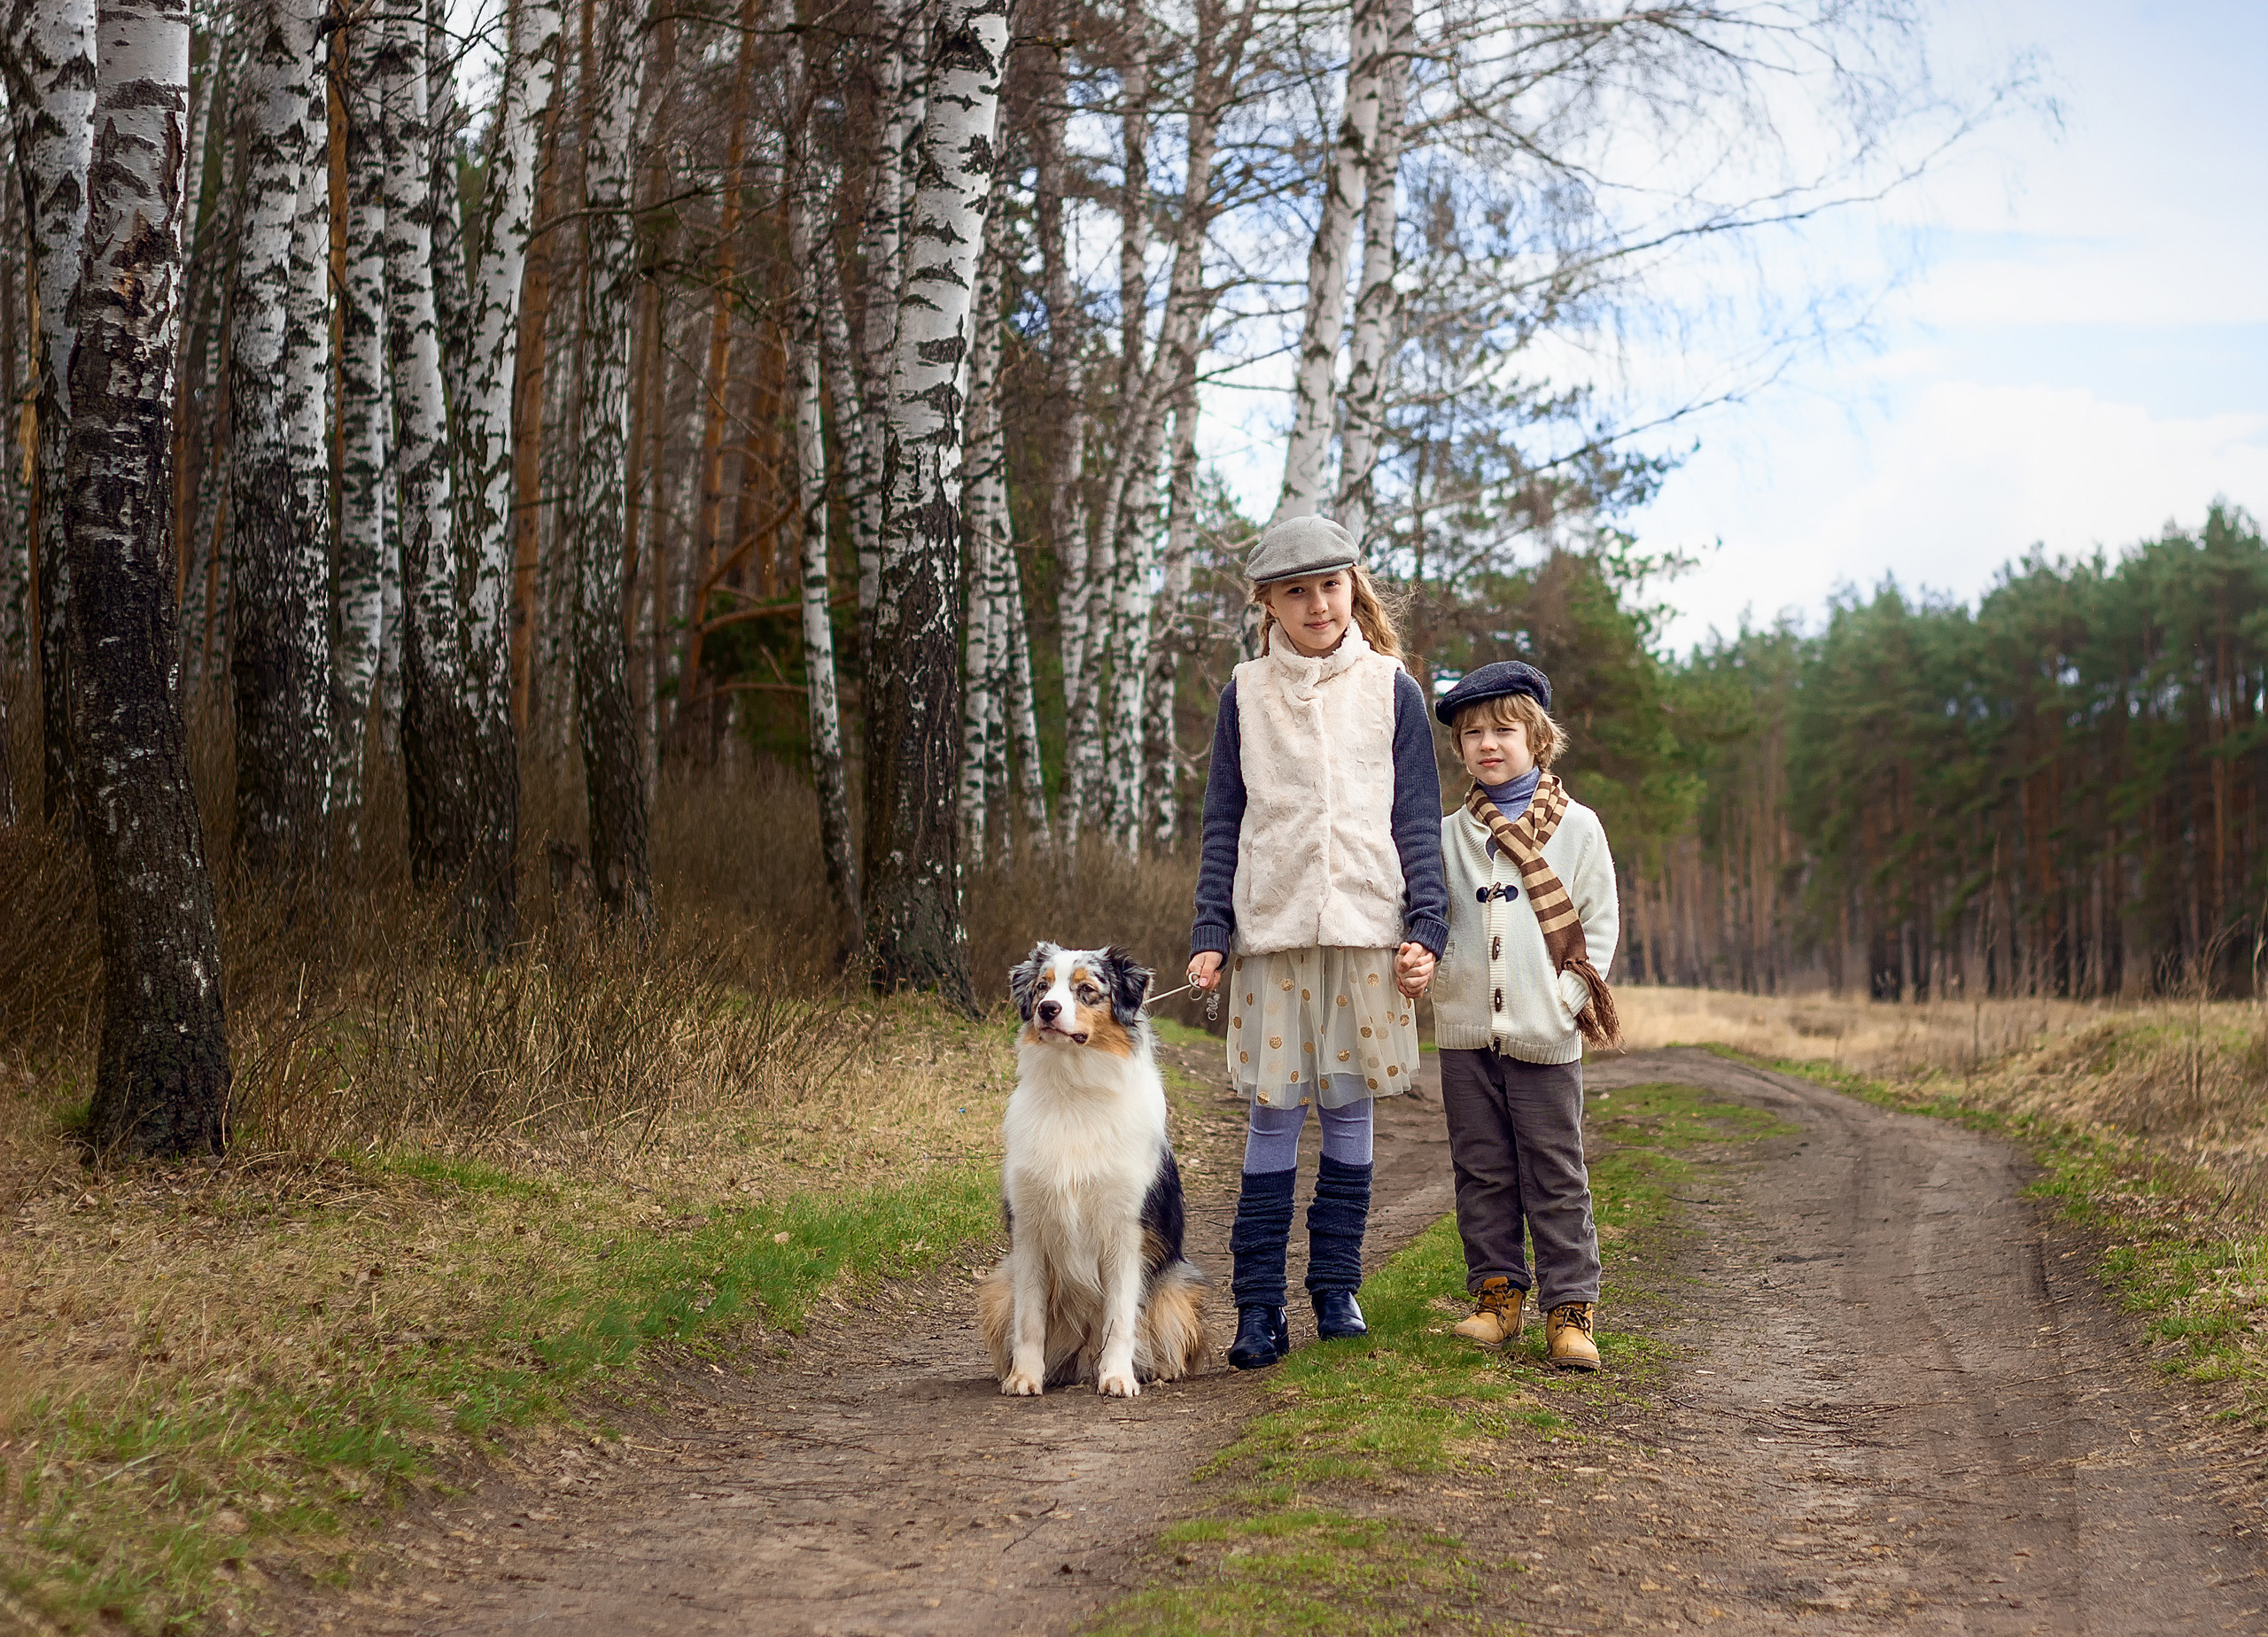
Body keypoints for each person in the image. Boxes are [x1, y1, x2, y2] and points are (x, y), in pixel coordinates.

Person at [1186, 514, 1447, 1370]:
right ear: (1268, 603)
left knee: (1348, 1110)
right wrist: (1212, 933)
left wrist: (1426, 927)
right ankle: (1258, 1307)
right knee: (1271, 1116)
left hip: (1367, 930)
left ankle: (1336, 1288)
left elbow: (1414, 819)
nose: (1317, 604)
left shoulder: (1391, 689)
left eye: (1330, 586)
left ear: (1353, 588)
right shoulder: (1244, 694)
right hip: (1274, 932)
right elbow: (1224, 820)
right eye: (1295, 591)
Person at [1427, 660, 1621, 1370]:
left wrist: (1569, 1001)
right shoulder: (1450, 833)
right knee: (1481, 1169)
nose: (1487, 743)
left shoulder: (1578, 829)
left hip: (1545, 1032)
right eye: (1472, 733)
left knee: (1554, 1170)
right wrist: (1441, 979)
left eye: (1503, 729)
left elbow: (1598, 926)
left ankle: (1570, 1310)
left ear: (1538, 739)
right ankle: (1497, 1297)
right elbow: (1435, 916)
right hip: (1466, 1029)